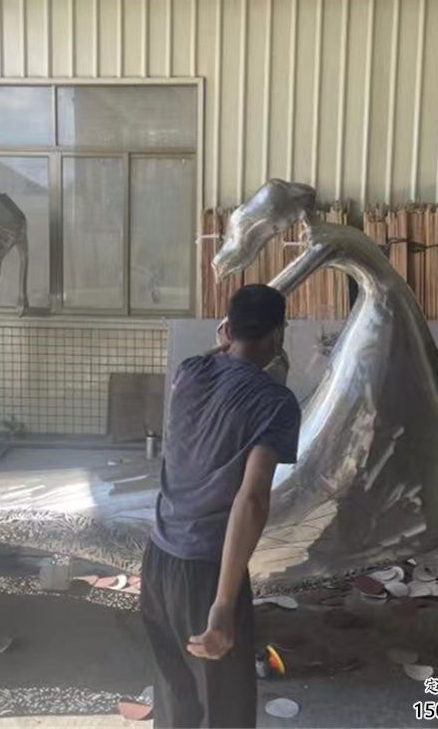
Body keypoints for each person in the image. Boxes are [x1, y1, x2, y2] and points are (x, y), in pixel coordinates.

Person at [140, 284, 302, 728]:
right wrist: (223, 606)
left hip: (157, 561)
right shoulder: (276, 403)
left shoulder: (189, 372)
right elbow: (250, 500)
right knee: (224, 712)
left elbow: (222, 356)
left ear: (227, 329)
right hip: (207, 573)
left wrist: (231, 341)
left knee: (176, 705)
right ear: (278, 335)